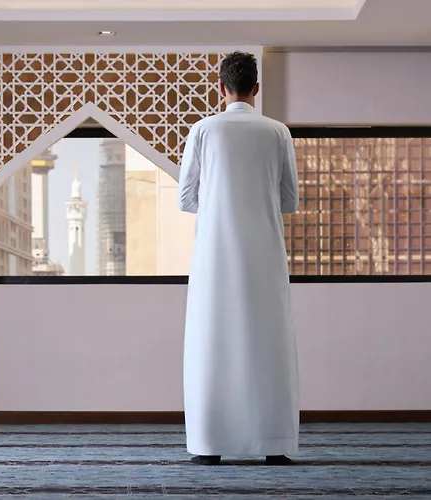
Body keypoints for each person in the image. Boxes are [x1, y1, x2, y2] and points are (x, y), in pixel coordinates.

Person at [178, 51, 300, 466]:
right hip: (264, 251)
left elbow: (185, 198)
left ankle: (209, 445)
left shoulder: (203, 130)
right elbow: (289, 200)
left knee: (212, 341)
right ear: (256, 88)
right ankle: (274, 444)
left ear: (221, 88)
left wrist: (218, 204)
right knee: (268, 343)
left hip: (214, 253)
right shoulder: (278, 132)